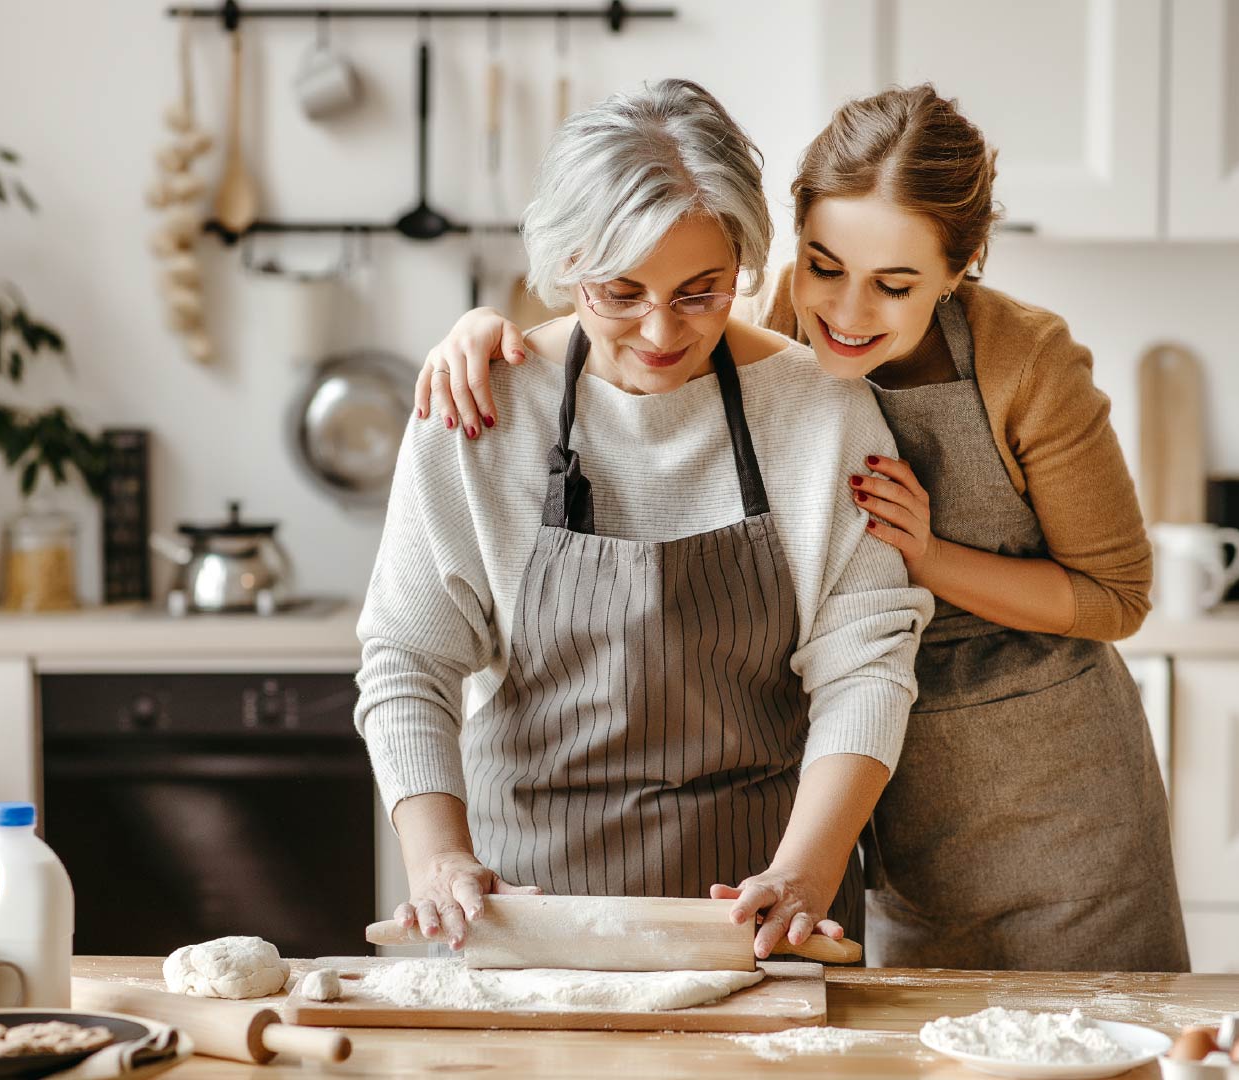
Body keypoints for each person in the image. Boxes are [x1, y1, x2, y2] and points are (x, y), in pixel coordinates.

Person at [410, 84, 1189, 972]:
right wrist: (489, 335)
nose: (848, 314)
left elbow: (1115, 597)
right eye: (825, 266)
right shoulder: (777, 332)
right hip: (878, 796)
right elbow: (641, 312)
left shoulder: (1021, 364)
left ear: (963, 266)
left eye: (894, 286)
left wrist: (926, 557)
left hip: (1047, 792)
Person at [355, 78, 930, 960]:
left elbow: (866, 666)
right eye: (619, 293)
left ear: (743, 263)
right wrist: (437, 861)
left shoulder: (821, 413)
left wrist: (807, 874)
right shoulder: (480, 409)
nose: (661, 332)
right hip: (523, 919)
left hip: (758, 919)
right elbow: (408, 658)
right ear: (565, 266)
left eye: (702, 292)